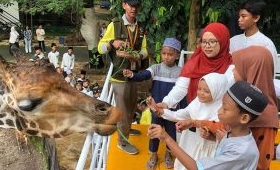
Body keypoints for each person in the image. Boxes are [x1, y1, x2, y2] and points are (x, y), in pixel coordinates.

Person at [148, 81, 268, 170]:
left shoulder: (241, 152)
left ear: (244, 118)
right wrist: (215, 138)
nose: (219, 111)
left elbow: (196, 167)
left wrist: (167, 138)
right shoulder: (234, 134)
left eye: (225, 109)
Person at [123, 37, 186, 169]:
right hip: (155, 108)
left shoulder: (181, 72)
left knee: (171, 133)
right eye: (164, 53)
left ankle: (169, 154)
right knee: (153, 133)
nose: (166, 57)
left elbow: (183, 92)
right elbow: (144, 75)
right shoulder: (156, 68)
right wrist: (132, 75)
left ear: (177, 55)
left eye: (170, 54)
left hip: (171, 110)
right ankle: (153, 155)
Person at [148, 72, 228, 170]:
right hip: (189, 144)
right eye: (199, 89)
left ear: (218, 91)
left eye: (207, 91)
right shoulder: (197, 103)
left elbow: (225, 135)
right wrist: (160, 111)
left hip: (207, 151)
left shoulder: (223, 110)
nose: (200, 93)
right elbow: (180, 115)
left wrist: (211, 136)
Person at [97, 0, 147, 155]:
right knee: (123, 111)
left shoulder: (140, 27)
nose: (133, 8)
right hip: (119, 77)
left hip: (134, 75)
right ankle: (122, 142)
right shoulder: (115, 25)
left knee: (132, 106)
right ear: (124, 5)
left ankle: (128, 130)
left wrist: (139, 55)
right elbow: (100, 48)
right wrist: (112, 42)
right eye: (130, 5)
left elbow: (145, 50)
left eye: (136, 5)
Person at [159, 23, 232, 109]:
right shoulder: (194, 63)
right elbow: (181, 88)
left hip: (220, 117)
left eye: (212, 42)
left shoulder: (232, 66)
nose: (207, 46)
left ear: (223, 41)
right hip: (195, 114)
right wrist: (165, 104)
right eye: (204, 41)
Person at [231, 46, 278, 170]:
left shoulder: (266, 116)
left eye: (237, 67)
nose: (233, 71)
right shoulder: (242, 103)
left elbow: (261, 164)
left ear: (251, 70)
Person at [229, 0, 278, 76]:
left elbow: (271, 73)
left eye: (243, 16)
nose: (239, 19)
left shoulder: (266, 44)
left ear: (256, 18)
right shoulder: (233, 41)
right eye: (239, 16)